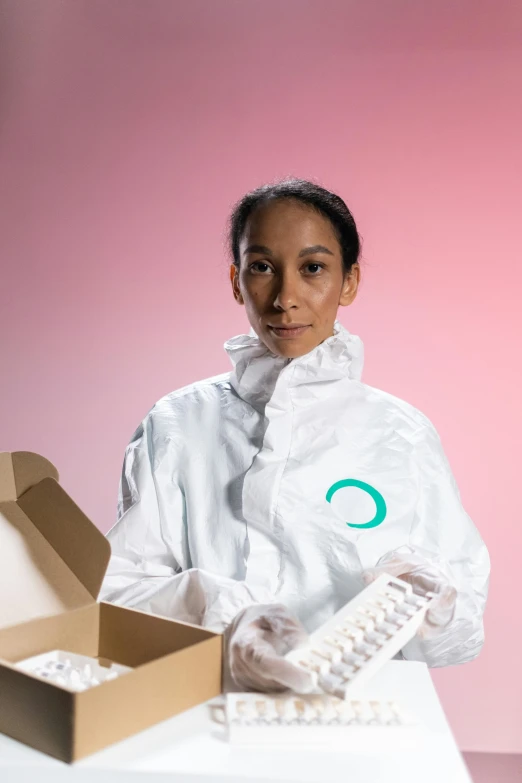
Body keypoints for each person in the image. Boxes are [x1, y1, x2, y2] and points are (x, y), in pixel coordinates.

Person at [100, 178, 490, 694]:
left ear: (348, 282)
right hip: (212, 704)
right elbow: (118, 593)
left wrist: (433, 605)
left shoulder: (401, 435)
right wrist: (226, 619)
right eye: (262, 267)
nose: (286, 298)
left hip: (359, 714)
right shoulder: (177, 423)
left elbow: (459, 634)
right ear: (237, 280)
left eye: (313, 268)